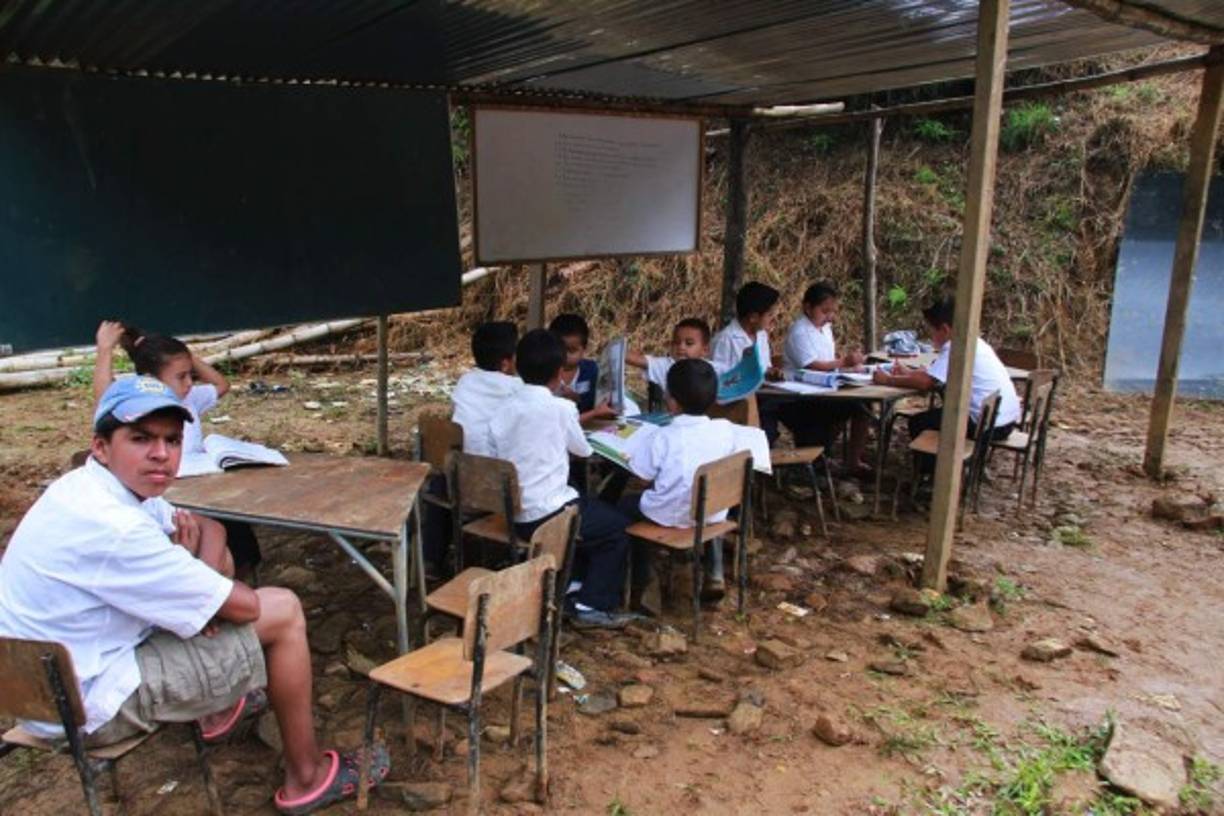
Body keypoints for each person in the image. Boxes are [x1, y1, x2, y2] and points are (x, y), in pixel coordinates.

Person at [0, 377, 388, 813]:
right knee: (284, 609)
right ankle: (305, 777)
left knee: (217, 576)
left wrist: (198, 576)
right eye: (141, 438)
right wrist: (207, 593)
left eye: (172, 439)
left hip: (44, 685)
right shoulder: (117, 526)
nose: (161, 454)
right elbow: (248, 605)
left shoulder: (89, 487)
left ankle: (220, 709)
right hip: (86, 707)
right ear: (102, 446)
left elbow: (212, 527)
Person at [488, 329, 634, 628]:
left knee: (588, 509)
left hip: (514, 513)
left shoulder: (502, 409)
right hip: (550, 516)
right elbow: (582, 451)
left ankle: (572, 584)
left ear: (516, 365)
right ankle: (590, 604)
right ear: (559, 373)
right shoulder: (561, 408)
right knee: (616, 528)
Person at [92, 320, 261, 574]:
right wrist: (104, 350)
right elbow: (105, 399)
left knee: (230, 527)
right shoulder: (136, 405)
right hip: (174, 494)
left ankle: (221, 583)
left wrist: (188, 357)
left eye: (173, 439)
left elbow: (221, 385)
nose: (189, 382)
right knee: (206, 530)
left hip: (203, 487)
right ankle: (212, 588)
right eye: (181, 376)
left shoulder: (189, 399)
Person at [618, 359, 766, 605]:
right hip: (712, 514)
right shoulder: (726, 431)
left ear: (671, 400)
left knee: (624, 508)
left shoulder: (662, 436)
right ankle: (714, 573)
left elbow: (643, 479)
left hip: (667, 515)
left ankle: (646, 580)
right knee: (705, 499)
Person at [873, 296, 1020, 472]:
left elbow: (926, 383)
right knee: (933, 417)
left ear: (944, 329)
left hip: (987, 426)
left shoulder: (956, 347)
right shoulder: (974, 342)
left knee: (919, 423)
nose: (931, 338)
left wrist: (887, 380)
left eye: (932, 332)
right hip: (1004, 420)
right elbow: (934, 376)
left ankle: (929, 478)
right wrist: (909, 373)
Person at [781, 281, 872, 475]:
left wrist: (849, 368)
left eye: (833, 312)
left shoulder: (825, 328)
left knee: (862, 407)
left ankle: (850, 460)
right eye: (824, 311)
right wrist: (844, 362)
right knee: (853, 409)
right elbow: (813, 365)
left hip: (826, 387)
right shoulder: (799, 332)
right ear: (807, 307)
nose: (830, 317)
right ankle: (821, 457)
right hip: (801, 395)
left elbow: (828, 361)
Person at [711, 282, 786, 442]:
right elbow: (718, 377)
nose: (773, 320)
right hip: (735, 403)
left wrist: (770, 373)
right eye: (770, 315)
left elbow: (764, 367)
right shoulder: (726, 339)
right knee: (766, 425)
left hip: (762, 395)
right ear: (753, 317)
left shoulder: (761, 335)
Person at [451, 321, 522, 457]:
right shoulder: (516, 387)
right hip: (501, 468)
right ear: (505, 364)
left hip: (464, 465)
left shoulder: (465, 381)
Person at [549, 313, 616, 425]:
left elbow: (598, 401)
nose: (565, 356)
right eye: (560, 350)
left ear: (584, 349)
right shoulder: (545, 371)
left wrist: (578, 399)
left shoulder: (591, 370)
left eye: (572, 351)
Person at [626, 317, 711, 402]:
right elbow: (637, 359)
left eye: (689, 343)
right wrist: (615, 349)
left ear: (705, 350)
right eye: (676, 342)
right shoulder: (666, 366)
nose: (681, 347)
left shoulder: (716, 370)